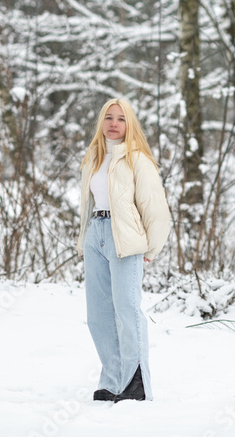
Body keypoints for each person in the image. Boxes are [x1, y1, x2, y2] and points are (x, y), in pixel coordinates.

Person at [77, 98, 170, 402]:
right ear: (101, 122)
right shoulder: (93, 157)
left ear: (129, 124)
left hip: (125, 240)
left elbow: (154, 207)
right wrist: (86, 237)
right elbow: (88, 202)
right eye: (109, 118)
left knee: (127, 309)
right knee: (98, 314)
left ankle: (136, 381)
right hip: (96, 234)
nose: (114, 124)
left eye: (121, 118)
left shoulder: (137, 159)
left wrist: (151, 247)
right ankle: (114, 379)